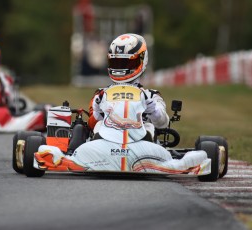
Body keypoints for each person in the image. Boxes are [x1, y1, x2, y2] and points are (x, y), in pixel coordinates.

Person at [34, 33, 210, 175]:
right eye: (117, 62)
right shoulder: (102, 94)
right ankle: (71, 154)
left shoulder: (151, 96)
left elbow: (163, 123)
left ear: (141, 61)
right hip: (105, 141)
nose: (121, 67)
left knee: (152, 127)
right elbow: (92, 124)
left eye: (126, 63)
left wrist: (152, 110)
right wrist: (97, 111)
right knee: (83, 127)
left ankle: (77, 160)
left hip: (142, 141)